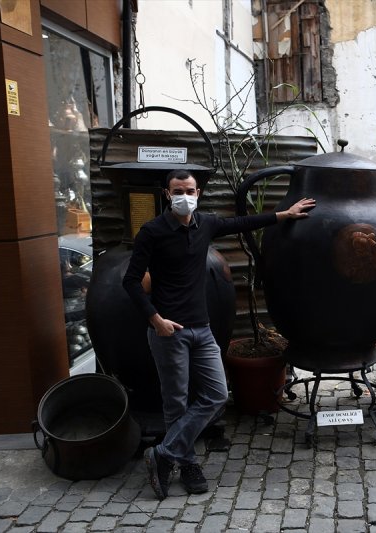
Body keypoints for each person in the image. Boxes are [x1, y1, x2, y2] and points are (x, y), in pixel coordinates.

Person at [122, 169, 315, 500]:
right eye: (178, 190)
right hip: (169, 331)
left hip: (202, 328)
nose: (185, 196)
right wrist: (156, 320)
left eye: (191, 190)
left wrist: (285, 214)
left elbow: (241, 223)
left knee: (215, 395)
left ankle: (164, 453)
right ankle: (187, 463)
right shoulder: (152, 232)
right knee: (176, 403)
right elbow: (130, 281)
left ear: (198, 193)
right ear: (168, 195)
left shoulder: (205, 224)